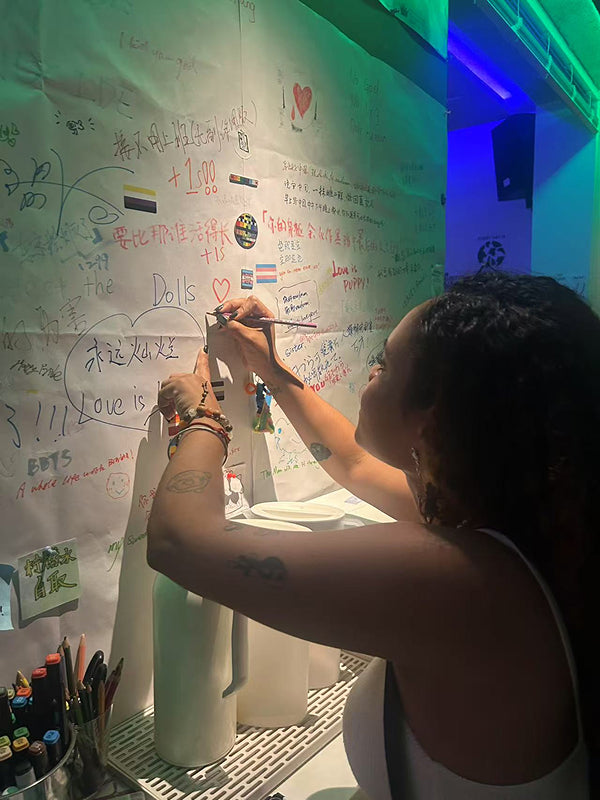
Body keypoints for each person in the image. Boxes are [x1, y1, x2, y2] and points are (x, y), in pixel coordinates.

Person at [148, 272, 597, 799]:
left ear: (431, 418)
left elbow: (180, 542)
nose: (370, 373)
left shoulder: (457, 578)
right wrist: (268, 366)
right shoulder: (514, 526)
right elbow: (353, 463)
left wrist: (202, 416)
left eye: (383, 364)